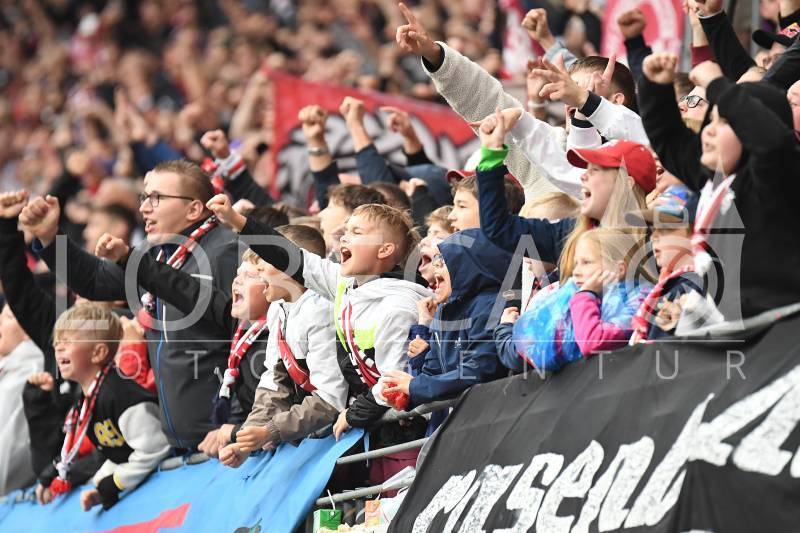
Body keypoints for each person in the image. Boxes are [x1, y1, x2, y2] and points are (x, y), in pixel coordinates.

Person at [206, 194, 431, 484]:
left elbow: (393, 380)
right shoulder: (344, 285)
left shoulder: (396, 306)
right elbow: (292, 257)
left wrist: (353, 414)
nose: (343, 237)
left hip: (406, 428)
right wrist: (237, 222)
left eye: (356, 232)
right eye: (345, 230)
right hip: (375, 426)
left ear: (385, 250)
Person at [20, 159, 242, 451]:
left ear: (193, 209)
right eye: (144, 197)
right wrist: (51, 238)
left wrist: (235, 425)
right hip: (186, 446)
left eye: (157, 198)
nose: (144, 208)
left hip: (228, 442)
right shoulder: (154, 254)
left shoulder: (226, 251)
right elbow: (93, 280)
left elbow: (248, 341)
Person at [640, 54, 800, 320]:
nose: (709, 131)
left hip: (781, 326)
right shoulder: (714, 179)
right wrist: (655, 87)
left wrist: (716, 84)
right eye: (710, 120)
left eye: (725, 122)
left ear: (752, 128)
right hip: (734, 324)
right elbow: (669, 139)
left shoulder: (776, 178)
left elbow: (773, 143)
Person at [93, 235, 273, 459]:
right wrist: (129, 258)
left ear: (276, 284)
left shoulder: (288, 333)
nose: (236, 282)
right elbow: (184, 289)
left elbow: (286, 412)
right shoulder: (237, 324)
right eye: (238, 274)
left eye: (250, 276)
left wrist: (237, 433)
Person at [217, 227, 348, 468]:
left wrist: (270, 431)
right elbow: (275, 382)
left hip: (344, 437)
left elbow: (329, 401)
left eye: (263, 265)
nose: (258, 273)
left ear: (291, 265)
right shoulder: (278, 308)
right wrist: (247, 441)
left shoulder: (320, 310)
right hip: (317, 435)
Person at [378, 229, 508, 435]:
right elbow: (433, 371)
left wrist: (415, 387)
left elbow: (479, 369)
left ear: (467, 265)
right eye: (435, 261)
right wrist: (406, 394)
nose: (434, 267)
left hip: (489, 424)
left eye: (442, 260)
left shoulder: (490, 305)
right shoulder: (444, 312)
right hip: (456, 427)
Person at [50, 304, 170, 511]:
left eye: (67, 341)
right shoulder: (89, 398)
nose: (58, 348)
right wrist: (100, 485)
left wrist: (115, 482)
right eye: (57, 342)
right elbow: (121, 452)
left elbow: (156, 447)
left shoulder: (120, 396)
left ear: (98, 353)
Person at [502, 228, 649, 372]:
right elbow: (543, 354)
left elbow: (593, 342)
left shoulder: (637, 298)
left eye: (586, 262)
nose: (576, 272)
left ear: (619, 269)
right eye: (576, 263)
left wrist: (585, 296)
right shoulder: (580, 297)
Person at [626, 185, 706, 342]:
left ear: (694, 232)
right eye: (653, 229)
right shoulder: (670, 285)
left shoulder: (691, 286)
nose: (653, 237)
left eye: (664, 228)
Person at [0, 303, 44, 496]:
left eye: (9, 317)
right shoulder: (10, 364)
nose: (0, 321)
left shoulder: (29, 368)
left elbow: (8, 454)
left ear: (29, 330)